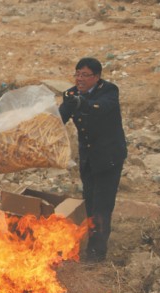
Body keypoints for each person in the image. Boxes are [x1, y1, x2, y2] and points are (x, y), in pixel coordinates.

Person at [59, 57, 127, 262]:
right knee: (90, 203)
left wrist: (82, 103)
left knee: (102, 207)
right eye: (77, 74)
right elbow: (59, 118)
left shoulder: (109, 91)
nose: (80, 79)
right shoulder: (71, 94)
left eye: (85, 75)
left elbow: (100, 108)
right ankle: (93, 242)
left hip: (108, 158)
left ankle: (96, 255)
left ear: (97, 77)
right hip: (88, 159)